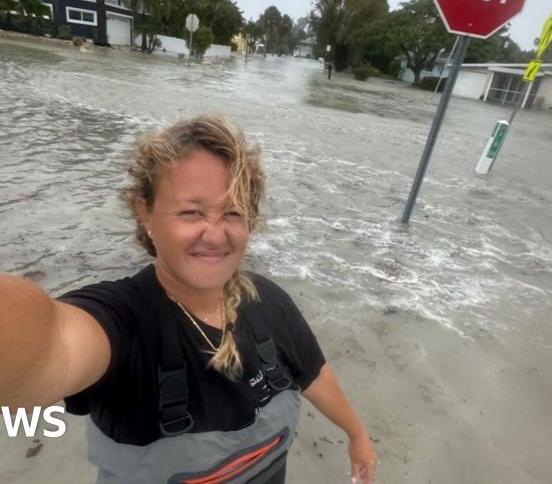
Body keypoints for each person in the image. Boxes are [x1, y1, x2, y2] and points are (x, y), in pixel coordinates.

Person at [0, 115, 377, 484]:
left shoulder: (269, 301)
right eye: (191, 212)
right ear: (144, 211)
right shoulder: (124, 323)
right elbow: (48, 344)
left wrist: (357, 434)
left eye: (232, 212)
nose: (214, 235)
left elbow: (312, 373)